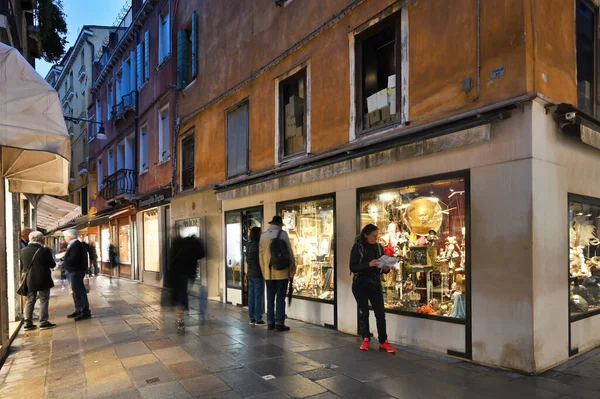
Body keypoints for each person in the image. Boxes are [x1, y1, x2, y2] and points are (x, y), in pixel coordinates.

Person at [350, 224, 396, 353]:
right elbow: (352, 267)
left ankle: (383, 341)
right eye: (374, 236)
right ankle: (365, 338)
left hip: (375, 283)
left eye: (377, 235)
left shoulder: (378, 247)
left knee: (380, 313)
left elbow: (383, 266)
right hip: (360, 284)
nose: (376, 238)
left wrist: (386, 268)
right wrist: (368, 264)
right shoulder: (357, 247)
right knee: (364, 312)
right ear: (366, 235)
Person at [259, 216, 295, 332]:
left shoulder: (263, 236)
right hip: (282, 272)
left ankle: (270, 322)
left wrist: (264, 271)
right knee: (280, 298)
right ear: (280, 224)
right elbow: (289, 252)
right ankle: (279, 323)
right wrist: (292, 268)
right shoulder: (282, 234)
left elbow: (260, 257)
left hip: (268, 274)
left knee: (270, 298)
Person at [167, 233, 205, 331]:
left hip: (178, 274)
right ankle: (183, 313)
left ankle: (180, 318)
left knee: (180, 296)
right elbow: (201, 254)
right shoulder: (192, 244)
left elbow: (170, 260)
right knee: (184, 294)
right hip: (190, 274)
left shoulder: (176, 244)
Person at [20, 231, 56, 331]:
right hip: (43, 279)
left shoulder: (23, 251)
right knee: (44, 300)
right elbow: (52, 265)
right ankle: (43, 323)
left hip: (29, 279)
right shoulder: (44, 250)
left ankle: (28, 323)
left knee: (30, 300)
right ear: (40, 239)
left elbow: (22, 266)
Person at [62, 229, 91, 321]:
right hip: (74, 270)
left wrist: (64, 259)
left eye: (65, 236)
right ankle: (78, 309)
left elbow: (74, 259)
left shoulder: (76, 245)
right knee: (75, 291)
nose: (65, 238)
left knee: (79, 291)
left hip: (76, 270)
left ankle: (84, 311)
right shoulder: (74, 245)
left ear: (70, 236)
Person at [246, 227, 264, 325]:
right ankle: (258, 319)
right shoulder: (258, 245)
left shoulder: (249, 244)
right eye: (261, 233)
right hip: (257, 274)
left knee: (251, 295)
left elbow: (247, 260)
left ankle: (252, 317)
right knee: (258, 296)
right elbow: (260, 260)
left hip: (250, 273)